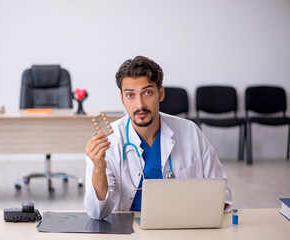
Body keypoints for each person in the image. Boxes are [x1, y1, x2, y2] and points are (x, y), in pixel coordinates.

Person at [84, 56, 232, 220]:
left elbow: (222, 195)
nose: (140, 105)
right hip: (128, 229)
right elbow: (97, 213)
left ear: (160, 93)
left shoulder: (190, 131)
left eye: (147, 93)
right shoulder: (108, 142)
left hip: (182, 224)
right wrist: (99, 167)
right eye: (130, 95)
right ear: (122, 98)